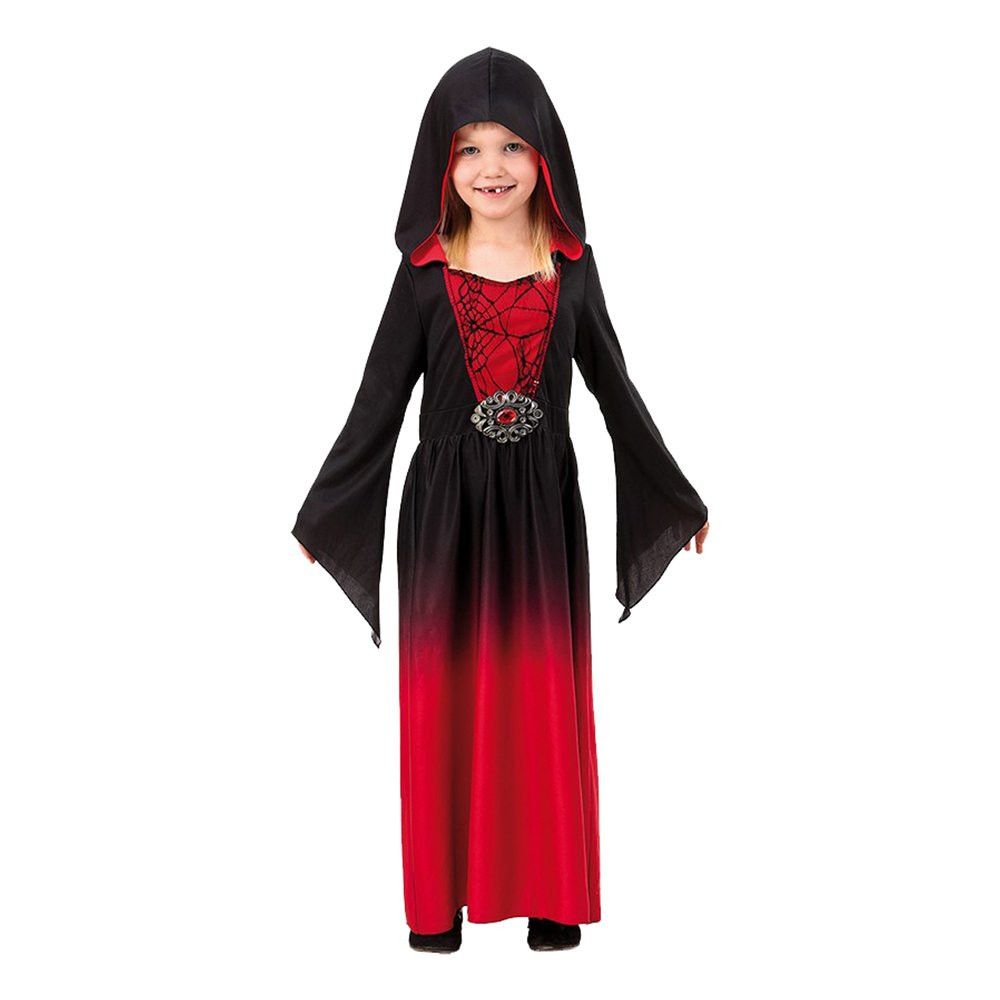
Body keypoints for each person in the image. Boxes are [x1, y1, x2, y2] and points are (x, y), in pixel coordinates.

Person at [292, 47, 710, 953]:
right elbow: (377, 402)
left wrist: (677, 497)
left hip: (542, 520)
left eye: (513, 144)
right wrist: (324, 512)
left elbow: (616, 392)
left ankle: (551, 897)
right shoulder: (422, 275)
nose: (492, 167)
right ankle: (438, 906)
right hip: (446, 525)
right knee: (443, 700)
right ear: (440, 162)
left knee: (541, 699)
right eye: (469, 148)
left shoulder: (573, 270)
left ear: (545, 154)